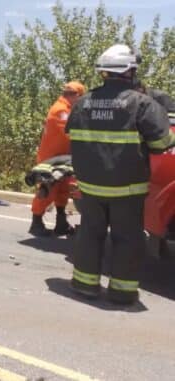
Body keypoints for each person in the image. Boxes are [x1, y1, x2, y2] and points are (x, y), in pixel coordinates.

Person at [67, 44, 175, 304]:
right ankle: (122, 292)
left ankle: (84, 285)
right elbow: (163, 144)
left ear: (103, 72)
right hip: (127, 187)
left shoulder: (82, 103)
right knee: (126, 238)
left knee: (90, 234)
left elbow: (72, 135)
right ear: (129, 71)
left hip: (90, 185)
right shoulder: (142, 104)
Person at [29, 81, 86, 237]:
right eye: (81, 97)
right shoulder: (61, 111)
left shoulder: (67, 109)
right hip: (51, 158)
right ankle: (36, 222)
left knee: (63, 190)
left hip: (62, 157)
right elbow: (71, 133)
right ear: (75, 95)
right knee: (48, 189)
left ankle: (61, 223)